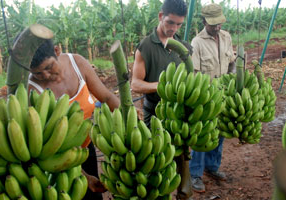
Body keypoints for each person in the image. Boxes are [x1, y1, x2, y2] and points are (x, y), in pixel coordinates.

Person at [28, 39, 120, 200]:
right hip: (57, 160)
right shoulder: (32, 89)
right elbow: (44, 143)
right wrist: (83, 176)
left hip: (85, 147)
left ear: (57, 51)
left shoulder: (77, 63)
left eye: (49, 68)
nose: (46, 76)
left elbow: (106, 97)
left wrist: (129, 115)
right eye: (38, 73)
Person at [189, 3, 235, 193]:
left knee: (220, 133)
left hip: (224, 93)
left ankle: (212, 167)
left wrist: (232, 78)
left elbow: (231, 62)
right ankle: (195, 174)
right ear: (204, 21)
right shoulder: (196, 42)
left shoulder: (226, 37)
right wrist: (207, 93)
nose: (218, 27)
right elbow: (195, 72)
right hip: (206, 97)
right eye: (214, 24)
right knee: (202, 135)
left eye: (219, 23)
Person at [131, 0, 191, 128]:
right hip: (154, 113)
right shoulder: (146, 46)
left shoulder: (184, 48)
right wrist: (162, 86)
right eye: (170, 22)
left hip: (179, 114)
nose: (174, 28)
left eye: (179, 24)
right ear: (160, 16)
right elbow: (135, 84)